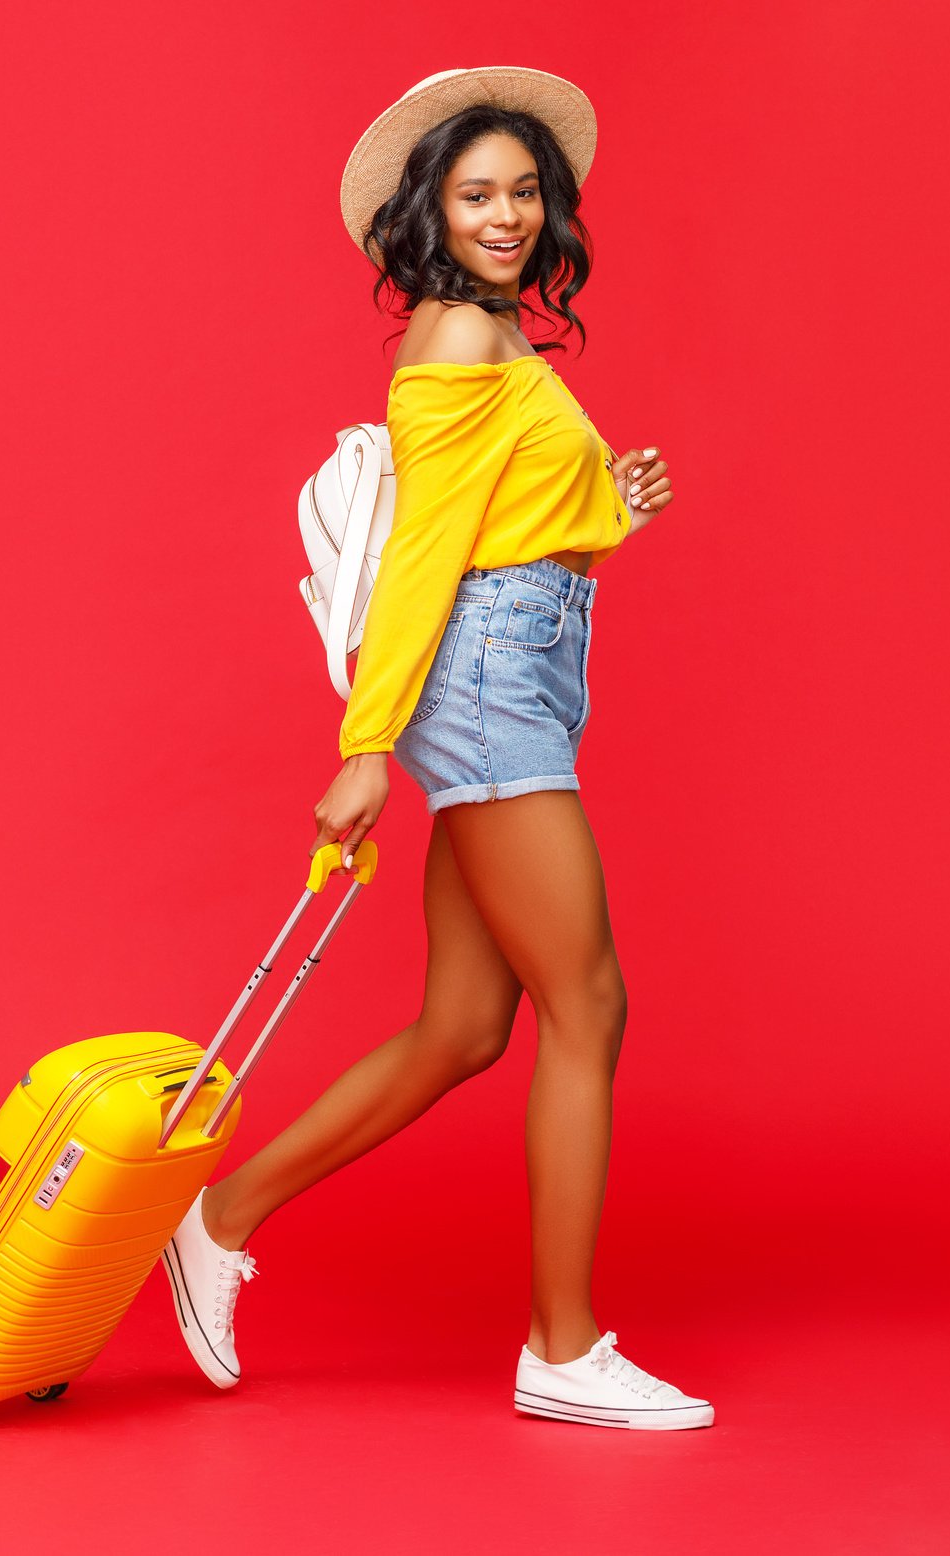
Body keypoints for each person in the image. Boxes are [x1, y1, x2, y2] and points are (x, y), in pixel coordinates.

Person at [158, 68, 714, 1430]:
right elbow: (420, 566)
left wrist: (607, 500)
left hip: (515, 664)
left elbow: (505, 528)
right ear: (430, 211)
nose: (509, 215)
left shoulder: (496, 338)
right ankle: (564, 1353)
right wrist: (366, 747)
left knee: (467, 1026)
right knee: (590, 1007)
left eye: (524, 192)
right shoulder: (458, 344)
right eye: (477, 195)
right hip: (485, 684)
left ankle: (216, 1218)